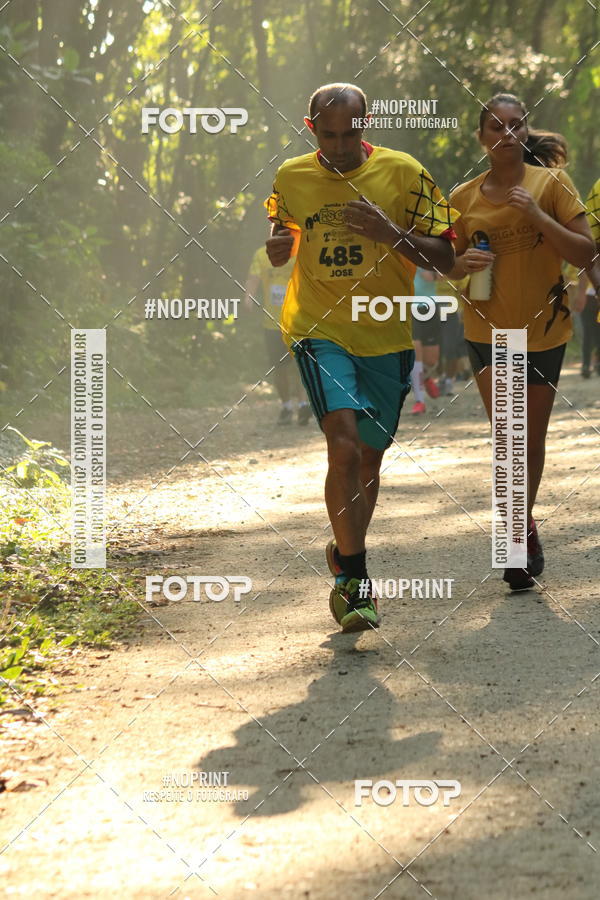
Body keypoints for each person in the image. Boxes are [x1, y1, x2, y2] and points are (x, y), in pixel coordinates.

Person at [265, 82, 457, 631]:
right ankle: (355, 581)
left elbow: (447, 255)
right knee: (343, 444)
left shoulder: (404, 173)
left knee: (369, 459)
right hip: (317, 327)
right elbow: (285, 226)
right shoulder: (292, 176)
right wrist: (282, 245)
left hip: (387, 333)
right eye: (330, 136)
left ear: (367, 123)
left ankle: (345, 553)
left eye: (352, 134)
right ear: (311, 130)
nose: (343, 147)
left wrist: (390, 232)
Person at [448, 92, 595, 591]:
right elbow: (446, 265)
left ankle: (521, 523)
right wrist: (461, 266)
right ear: (482, 137)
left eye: (516, 124)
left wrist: (535, 215)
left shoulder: (550, 184)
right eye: (496, 125)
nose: (506, 133)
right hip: (489, 330)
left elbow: (583, 249)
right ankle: (514, 541)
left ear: (525, 132)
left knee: (530, 437)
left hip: (544, 329)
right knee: (508, 437)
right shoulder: (463, 199)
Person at [244, 247, 311, 425]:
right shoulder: (261, 254)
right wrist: (248, 297)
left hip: (298, 322)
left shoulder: (301, 252)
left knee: (301, 365)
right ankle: (287, 406)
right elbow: (253, 278)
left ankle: (304, 405)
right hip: (272, 323)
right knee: (279, 368)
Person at [410, 267, 441, 414]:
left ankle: (426, 376)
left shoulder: (433, 249)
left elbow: (438, 276)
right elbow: (428, 275)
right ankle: (419, 400)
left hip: (431, 306)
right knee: (416, 349)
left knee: (431, 359)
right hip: (409, 305)